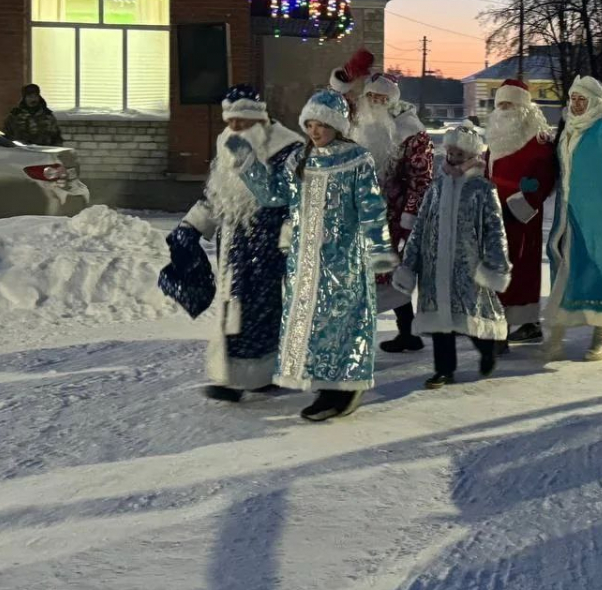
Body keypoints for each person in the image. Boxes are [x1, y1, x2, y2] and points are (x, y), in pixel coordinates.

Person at [237, 88, 395, 422]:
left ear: (336, 125)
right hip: (305, 260)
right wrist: (249, 166)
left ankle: (346, 387)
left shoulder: (356, 160)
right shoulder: (300, 159)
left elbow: (371, 208)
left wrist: (379, 248)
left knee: (342, 324)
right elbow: (275, 195)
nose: (314, 131)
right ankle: (325, 387)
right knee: (313, 326)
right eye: (309, 125)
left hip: (344, 261)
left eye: (321, 125)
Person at [159, 85, 302, 402]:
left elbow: (287, 196)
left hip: (269, 244)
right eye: (231, 121)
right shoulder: (229, 144)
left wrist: (289, 239)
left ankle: (246, 378)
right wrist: (192, 225)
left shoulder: (287, 148)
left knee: (258, 311)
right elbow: (216, 194)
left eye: (243, 121)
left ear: (259, 120)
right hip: (235, 244)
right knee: (235, 309)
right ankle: (244, 376)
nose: (235, 128)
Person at [394, 122, 512, 388]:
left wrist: (495, 264)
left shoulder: (482, 189)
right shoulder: (437, 186)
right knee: (440, 322)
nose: (453, 158)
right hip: (434, 266)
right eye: (451, 152)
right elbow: (421, 224)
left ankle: (487, 348)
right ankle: (443, 370)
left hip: (468, 267)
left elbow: (495, 229)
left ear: (472, 156)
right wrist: (410, 263)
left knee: (469, 315)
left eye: (460, 154)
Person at [331, 55, 435, 354]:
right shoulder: (357, 122)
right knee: (359, 274)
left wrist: (409, 217)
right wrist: (344, 78)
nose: (375, 102)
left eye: (382, 98)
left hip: (393, 217)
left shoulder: (413, 135)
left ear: (392, 101)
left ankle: (396, 333)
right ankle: (396, 333)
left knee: (389, 276)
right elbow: (330, 104)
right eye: (372, 96)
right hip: (357, 212)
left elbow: (422, 180)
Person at [543, 74, 602, 362]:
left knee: (601, 270)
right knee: (564, 270)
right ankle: (556, 335)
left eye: (582, 99)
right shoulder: (568, 129)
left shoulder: (601, 130)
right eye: (573, 98)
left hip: (596, 214)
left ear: (596, 102)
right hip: (568, 213)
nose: (577, 104)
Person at [485, 79, 556, 345]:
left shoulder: (538, 141)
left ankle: (514, 324)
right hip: (493, 212)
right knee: (496, 265)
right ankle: (515, 322)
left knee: (519, 267)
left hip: (520, 215)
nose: (505, 110)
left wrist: (521, 205)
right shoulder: (496, 138)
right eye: (501, 104)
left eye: (510, 104)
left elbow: (544, 177)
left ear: (524, 107)